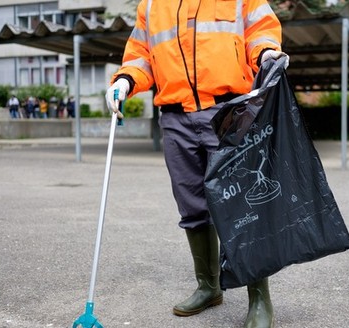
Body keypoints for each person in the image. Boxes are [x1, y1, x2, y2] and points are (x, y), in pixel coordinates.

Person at [106, 1, 288, 327]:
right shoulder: (151, 5)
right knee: (191, 206)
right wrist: (125, 80)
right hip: (175, 117)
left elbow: (259, 32)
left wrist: (265, 53)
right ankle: (209, 286)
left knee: (242, 206)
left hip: (229, 109)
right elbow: (141, 56)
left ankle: (259, 299)